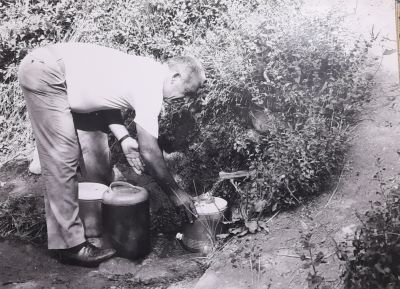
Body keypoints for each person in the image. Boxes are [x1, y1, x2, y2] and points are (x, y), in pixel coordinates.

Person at [18, 42, 205, 267]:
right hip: (47, 72)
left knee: (96, 149)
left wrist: (125, 138)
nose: (183, 100)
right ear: (174, 76)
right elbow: (149, 151)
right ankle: (69, 246)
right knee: (62, 156)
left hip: (65, 77)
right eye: (186, 92)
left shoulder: (145, 70)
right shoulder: (151, 85)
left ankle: (97, 226)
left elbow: (104, 98)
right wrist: (177, 194)